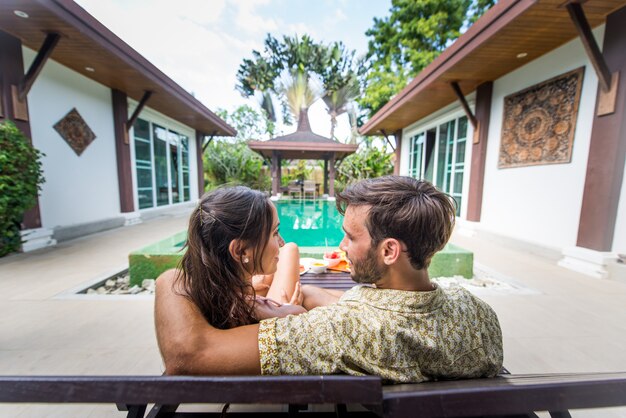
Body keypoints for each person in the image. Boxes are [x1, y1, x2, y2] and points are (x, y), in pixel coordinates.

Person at [155, 176, 503, 383]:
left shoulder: (337, 332)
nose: (341, 246)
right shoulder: (479, 314)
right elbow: (380, 313)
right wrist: (303, 295)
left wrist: (167, 279)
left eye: (351, 237)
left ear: (389, 251)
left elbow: (190, 356)